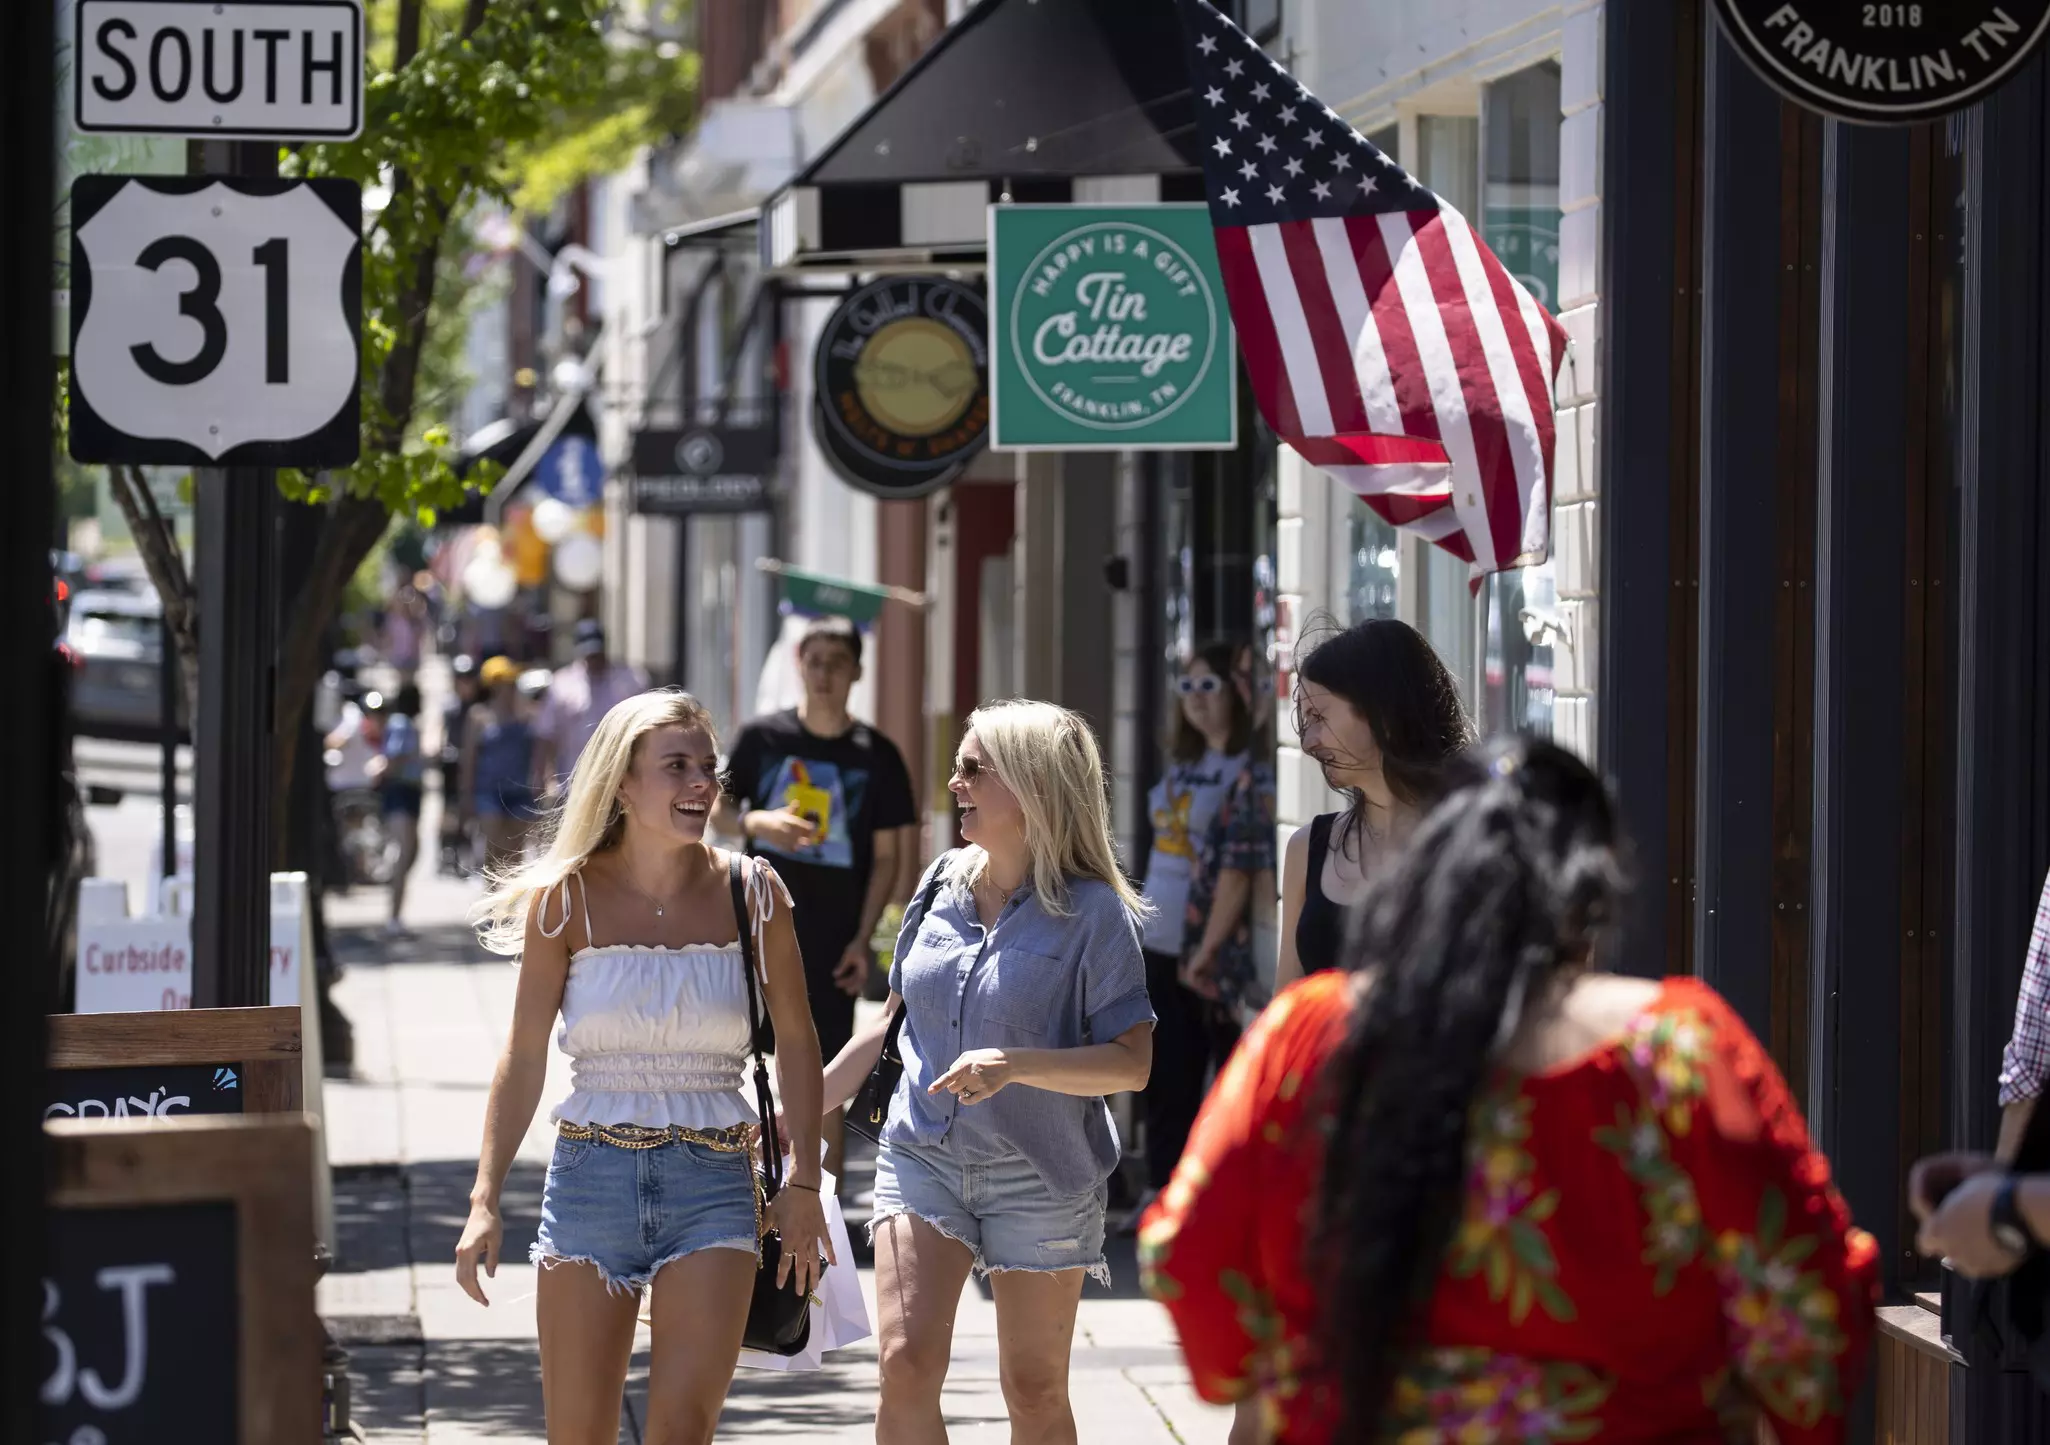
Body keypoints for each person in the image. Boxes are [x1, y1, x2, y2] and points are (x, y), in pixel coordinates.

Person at [1142, 738, 1880, 1444]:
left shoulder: (1309, 1035)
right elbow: (1809, 1298)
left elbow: (1190, 1253)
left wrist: (1273, 1375)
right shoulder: (1682, 1045)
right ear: (1590, 892)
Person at [455, 690, 834, 1445]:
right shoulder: (564, 901)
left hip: (715, 1181)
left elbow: (798, 1040)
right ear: (623, 784)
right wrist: (484, 1197)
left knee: (681, 1432)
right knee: (579, 1433)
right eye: (676, 766)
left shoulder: (754, 893)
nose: (701, 783)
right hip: (590, 1179)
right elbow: (524, 1053)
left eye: (707, 767)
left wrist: (803, 1183)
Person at [820, 700, 1155, 1445]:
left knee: (1032, 1389)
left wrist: (1015, 1066)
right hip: (921, 1154)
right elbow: (889, 1024)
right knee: (905, 1364)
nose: (955, 781)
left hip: (1042, 1172)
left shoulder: (1095, 913)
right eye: (959, 766)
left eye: (975, 768)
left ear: (1033, 786)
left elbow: (1133, 1064)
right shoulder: (941, 880)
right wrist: (794, 1105)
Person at [715, 615, 918, 1187]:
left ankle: (818, 1198)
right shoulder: (762, 737)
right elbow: (718, 810)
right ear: (798, 664)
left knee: (823, 1077)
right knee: (736, 1062)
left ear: (857, 670)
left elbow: (887, 859)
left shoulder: (876, 754)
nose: (824, 673)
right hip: (750, 926)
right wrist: (761, 822)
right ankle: (742, 1190)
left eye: (837, 662)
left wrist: (864, 938)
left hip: (831, 940)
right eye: (815, 660)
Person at [1133, 642, 1275, 1224]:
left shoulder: (1250, 772)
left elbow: (1238, 871)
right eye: (1186, 687)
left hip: (1207, 949)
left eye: (1209, 686)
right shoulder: (1182, 764)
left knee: (1208, 1075)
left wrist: (1210, 947)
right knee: (1163, 1075)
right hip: (1159, 941)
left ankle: (1197, 1200)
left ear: (1237, 696)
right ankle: (1164, 1191)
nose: (1195, 700)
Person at [1275, 618, 1472, 989]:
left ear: (1383, 711)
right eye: (1305, 721)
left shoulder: (1477, 847)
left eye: (1319, 716)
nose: (1308, 742)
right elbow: (1285, 1013)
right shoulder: (1307, 849)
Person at [534, 619, 650, 796]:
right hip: (574, 779)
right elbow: (547, 735)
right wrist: (546, 777)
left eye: (597, 652)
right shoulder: (562, 684)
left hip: (620, 778)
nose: (593, 658)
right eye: (588, 653)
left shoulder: (630, 680)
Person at [461, 656, 540, 877]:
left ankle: (510, 908)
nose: (511, 687)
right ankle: (492, 902)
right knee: (493, 849)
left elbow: (539, 752)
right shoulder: (479, 716)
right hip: (489, 792)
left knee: (515, 857)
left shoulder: (527, 715)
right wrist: (466, 796)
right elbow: (469, 759)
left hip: (519, 791)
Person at [368, 684, 426, 938]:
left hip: (409, 792)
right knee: (404, 853)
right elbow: (395, 757)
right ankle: (393, 916)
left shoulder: (405, 724)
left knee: (411, 852)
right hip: (401, 792)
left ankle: (395, 912)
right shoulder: (402, 723)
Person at [438, 654, 482, 875]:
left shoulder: (480, 706)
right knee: (450, 809)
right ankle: (447, 850)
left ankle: (472, 851)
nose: (465, 683)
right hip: (453, 764)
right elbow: (442, 735)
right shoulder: (450, 707)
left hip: (476, 764)